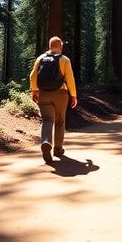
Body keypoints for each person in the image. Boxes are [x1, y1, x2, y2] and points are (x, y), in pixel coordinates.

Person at [29, 36, 78, 164]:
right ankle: (58, 149)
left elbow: (32, 76)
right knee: (60, 121)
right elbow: (70, 79)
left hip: (44, 94)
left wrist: (34, 90)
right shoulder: (64, 60)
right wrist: (73, 95)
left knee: (47, 120)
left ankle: (46, 141)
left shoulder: (40, 59)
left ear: (50, 46)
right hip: (61, 94)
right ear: (60, 46)